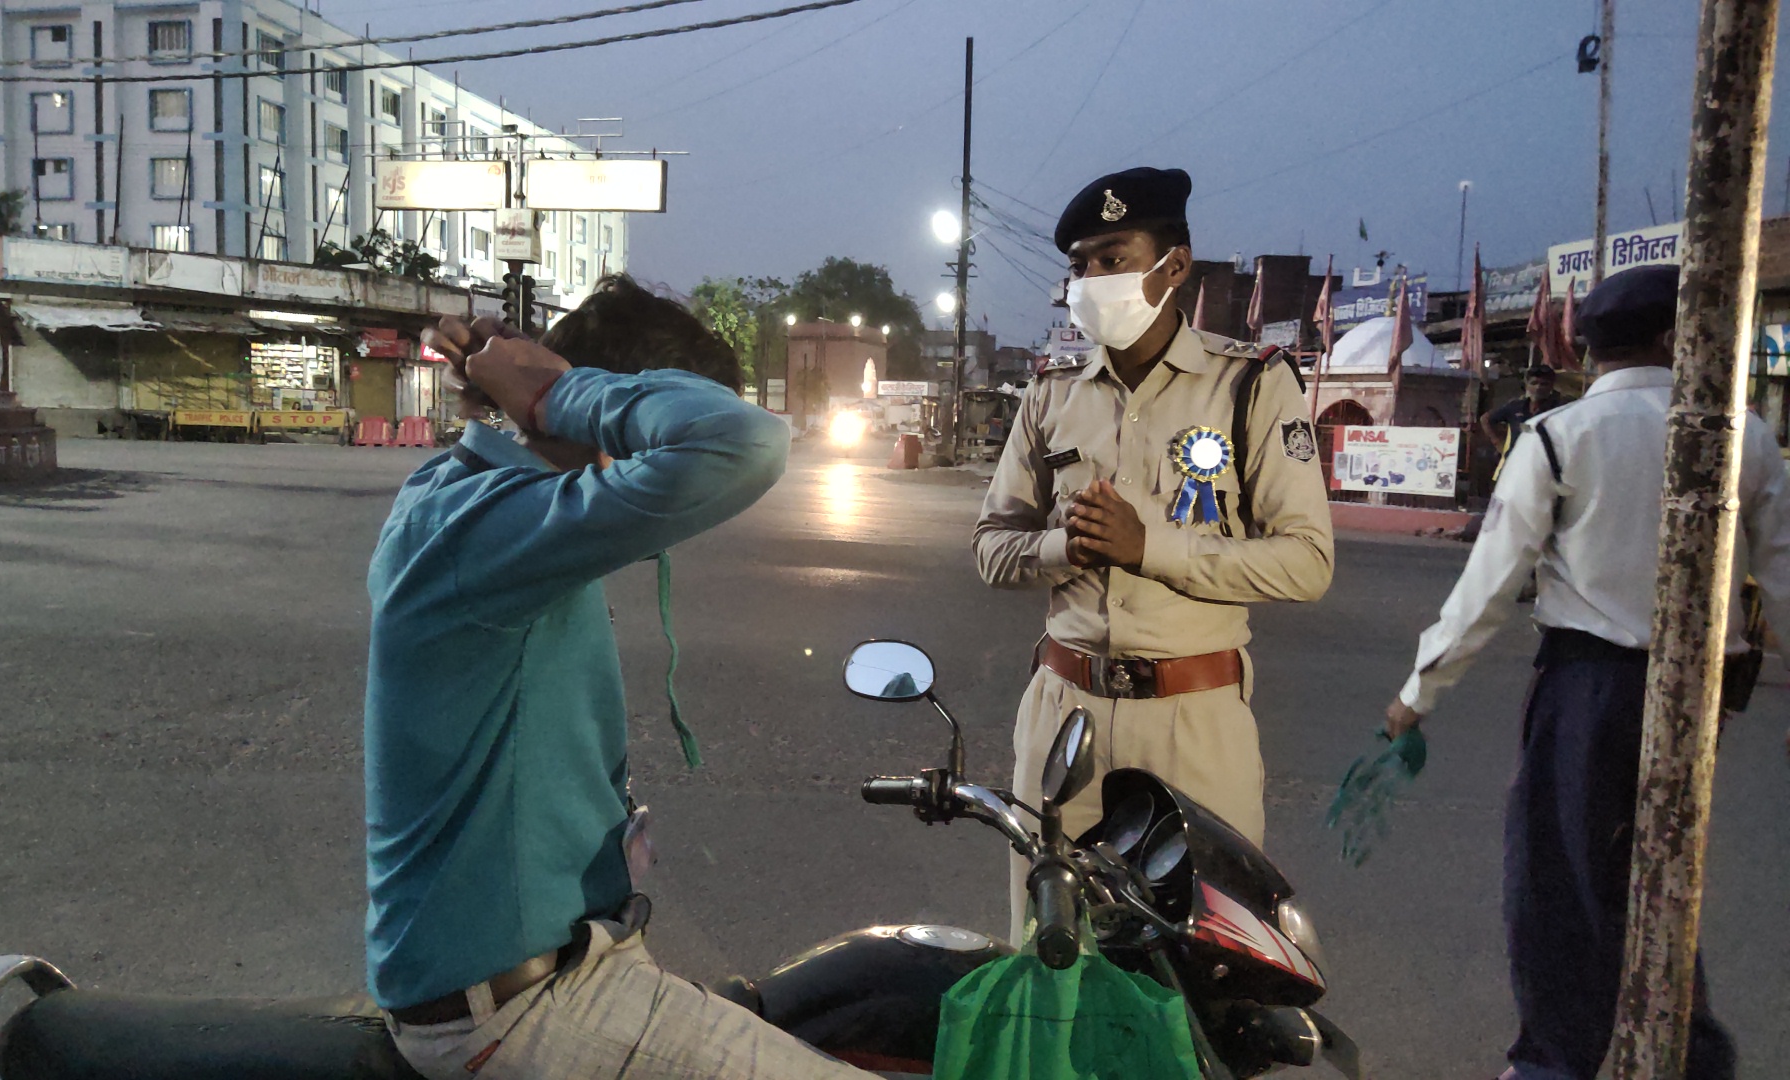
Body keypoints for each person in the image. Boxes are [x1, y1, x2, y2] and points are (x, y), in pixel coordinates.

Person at [365, 275, 868, 1080]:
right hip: (518, 1008)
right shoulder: (480, 527)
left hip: (570, 965)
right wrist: (555, 390)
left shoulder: (505, 508)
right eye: (641, 421)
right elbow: (744, 442)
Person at [1383, 264, 1790, 1080]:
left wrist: (1416, 695)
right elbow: (1781, 575)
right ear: (1675, 339)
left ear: (1582, 349)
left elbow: (1490, 586)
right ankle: (1690, 1053)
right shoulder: (1743, 433)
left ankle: (1554, 1061)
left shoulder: (1559, 437)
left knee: (1561, 876)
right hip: (1704, 689)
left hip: (1588, 687)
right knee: (1662, 867)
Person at [974, 167, 1334, 944]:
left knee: (1196, 965)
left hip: (1193, 720)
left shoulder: (1250, 387)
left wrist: (1149, 548)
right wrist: (1062, 547)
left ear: (1174, 266)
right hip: (1062, 713)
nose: (1091, 280)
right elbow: (991, 547)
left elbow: (1307, 562)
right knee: (1050, 952)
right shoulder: (1050, 395)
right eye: (1079, 265)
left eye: (1112, 257)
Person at [1481, 364, 1568, 473]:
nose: (1538, 387)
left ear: (1551, 386)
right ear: (1526, 385)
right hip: (1514, 465)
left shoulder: (1559, 410)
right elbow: (1486, 419)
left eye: (1544, 384)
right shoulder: (1516, 406)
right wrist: (1497, 442)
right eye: (1534, 383)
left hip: (1543, 468)